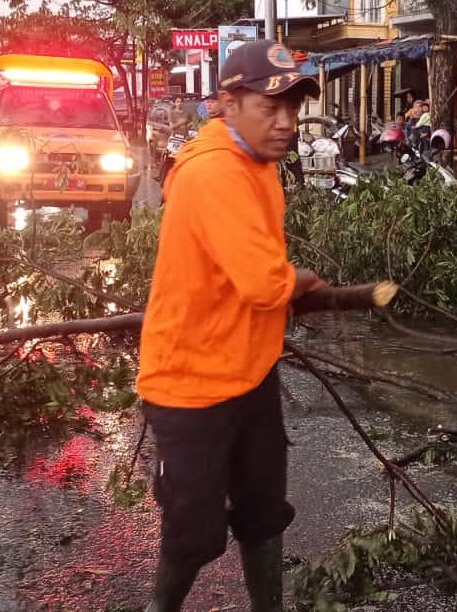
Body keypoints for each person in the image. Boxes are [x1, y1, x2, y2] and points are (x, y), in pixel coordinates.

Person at [137, 40, 327, 612]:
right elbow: (264, 283)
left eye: (293, 108)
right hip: (190, 382)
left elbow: (250, 274)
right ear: (226, 103)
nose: (287, 123)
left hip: (250, 371)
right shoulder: (215, 173)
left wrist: (285, 288)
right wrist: (301, 282)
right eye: (271, 109)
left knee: (263, 509)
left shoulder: (258, 164)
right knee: (195, 533)